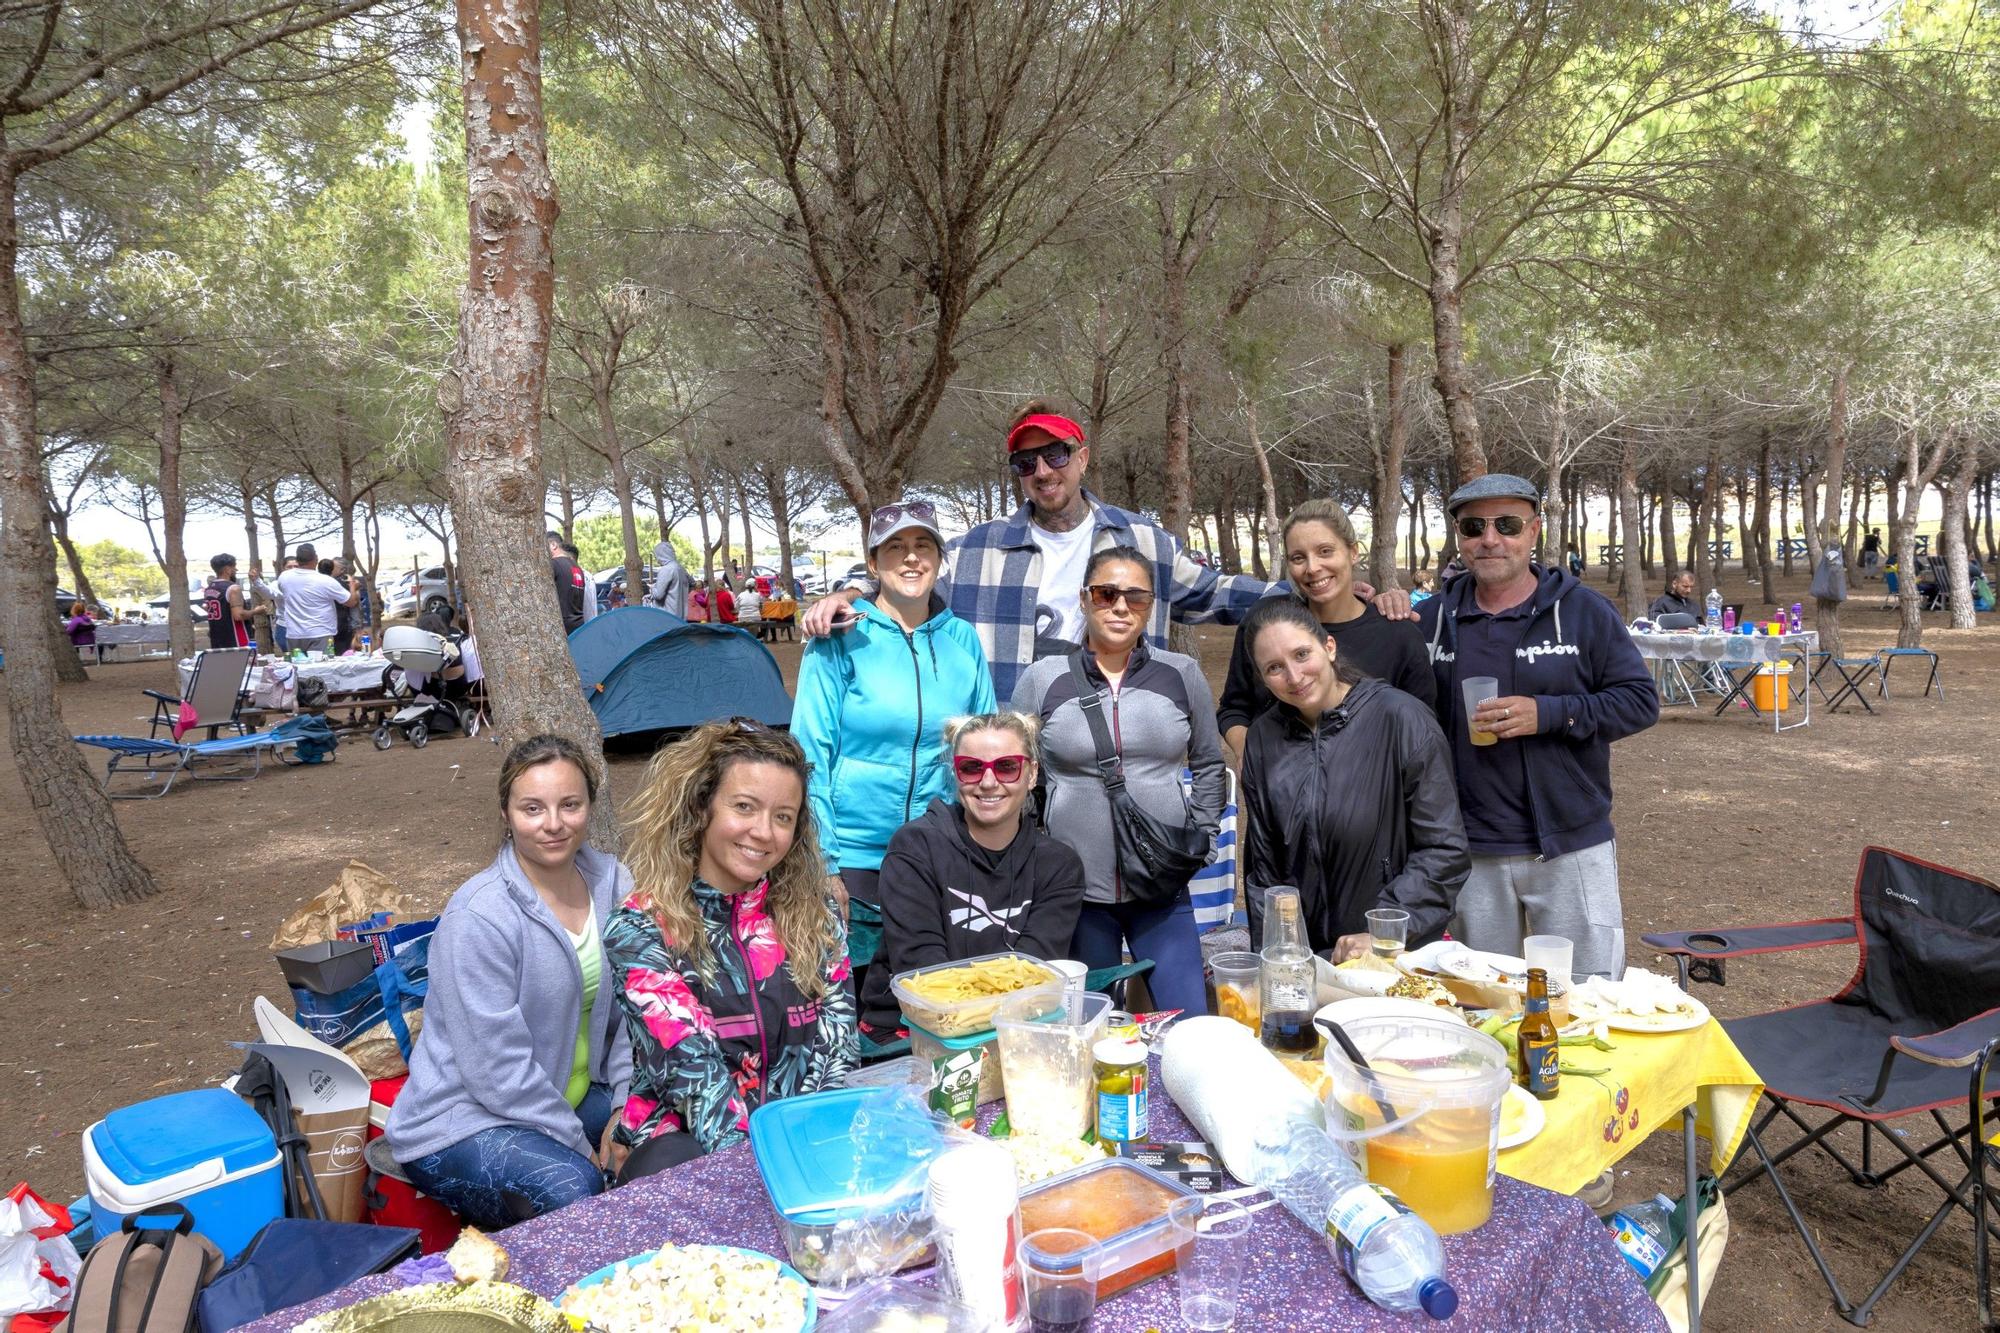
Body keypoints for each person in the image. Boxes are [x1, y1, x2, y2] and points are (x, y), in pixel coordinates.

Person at [804, 401, 1286, 700]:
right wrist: (848, 592)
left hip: (1118, 748)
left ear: (1082, 458)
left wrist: (1305, 597)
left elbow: (1214, 593)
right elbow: (904, 571)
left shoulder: (1141, 540)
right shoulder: (978, 549)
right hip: (1011, 759)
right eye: (1026, 461)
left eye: (1056, 454)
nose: (1043, 470)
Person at [1414, 474, 1659, 980]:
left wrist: (1546, 713)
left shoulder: (1585, 611)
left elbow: (1638, 702)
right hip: (1470, 847)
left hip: (1570, 843)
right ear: (1458, 536)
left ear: (1534, 532)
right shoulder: (1434, 618)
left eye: (1507, 524)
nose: (1490, 539)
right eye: (1473, 526)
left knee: (1590, 999)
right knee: (1481, 1000)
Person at [387, 735, 632, 1228]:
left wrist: (627, 1113)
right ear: (506, 813)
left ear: (590, 805)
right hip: (467, 1117)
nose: (554, 824)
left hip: (573, 1095)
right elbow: (496, 1072)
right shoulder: (480, 915)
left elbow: (636, 1015)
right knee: (573, 1187)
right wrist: (583, 1147)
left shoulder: (615, 884)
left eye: (570, 805)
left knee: (663, 1134)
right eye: (533, 808)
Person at [605, 720, 856, 1174]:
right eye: (744, 806)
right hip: (688, 1145)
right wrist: (768, 1174)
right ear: (703, 808)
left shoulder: (816, 912)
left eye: (783, 816)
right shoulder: (640, 926)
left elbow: (837, 1051)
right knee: (671, 1161)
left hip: (800, 1136)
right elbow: (695, 1076)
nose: (763, 832)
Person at [791, 501, 997, 1033]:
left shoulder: (963, 641)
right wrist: (824, 859)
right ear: (874, 561)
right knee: (851, 1011)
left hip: (938, 851)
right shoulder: (838, 638)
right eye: (895, 548)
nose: (910, 559)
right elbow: (809, 753)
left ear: (940, 558)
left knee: (931, 1007)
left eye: (923, 546)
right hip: (855, 855)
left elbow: (983, 749)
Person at [1011, 547, 1225, 1016]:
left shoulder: (1181, 674)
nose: (1121, 607)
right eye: (1107, 594)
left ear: (1151, 606)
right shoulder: (1042, 679)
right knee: (1087, 1027)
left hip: (1163, 888)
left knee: (1188, 1024)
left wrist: (1205, 837)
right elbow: (1018, 774)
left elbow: (1209, 762)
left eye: (1136, 597)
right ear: (1085, 599)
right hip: (1076, 893)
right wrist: (1031, 851)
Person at [1236, 597, 1469, 960]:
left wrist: (1385, 928)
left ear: (1329, 646)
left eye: (1301, 655)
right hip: (1310, 960)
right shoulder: (1262, 740)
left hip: (1394, 953)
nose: (1294, 677)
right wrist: (1277, 957)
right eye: (1274, 668)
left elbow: (1444, 849)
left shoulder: (1401, 719)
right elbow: (1265, 869)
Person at [868, 712, 1087, 1031]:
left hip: (1017, 1027)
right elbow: (927, 978)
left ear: (1031, 773)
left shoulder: (1059, 866)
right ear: (956, 775)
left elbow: (1033, 976)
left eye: (1006, 766)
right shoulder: (914, 848)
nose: (988, 782)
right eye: (971, 768)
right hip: (913, 1030)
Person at [1216, 499, 1433, 758]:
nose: (1312, 568)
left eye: (1325, 551)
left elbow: (1423, 735)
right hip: (1280, 792)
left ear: (1353, 552)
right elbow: (1234, 708)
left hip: (1371, 794)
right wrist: (1248, 756)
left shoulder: (1399, 635)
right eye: (1298, 557)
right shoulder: (1265, 624)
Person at [277, 544, 358, 655]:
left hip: (294, 633)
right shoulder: (325, 581)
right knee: (320, 669)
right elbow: (351, 602)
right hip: (320, 633)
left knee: (298, 669)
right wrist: (352, 585)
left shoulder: (284, 577)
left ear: (298, 560)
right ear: (316, 559)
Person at [200, 554, 254, 651]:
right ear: (227, 569)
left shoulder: (209, 588)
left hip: (217, 637)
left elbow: (208, 607)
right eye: (234, 567)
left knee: (222, 664)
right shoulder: (233, 588)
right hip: (235, 637)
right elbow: (238, 616)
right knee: (241, 665)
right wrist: (256, 611)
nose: (236, 570)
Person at [647, 539, 690, 617]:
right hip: (682, 616)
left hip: (668, 616)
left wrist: (652, 587)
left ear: (662, 554)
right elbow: (692, 583)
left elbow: (659, 595)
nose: (657, 560)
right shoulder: (681, 568)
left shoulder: (666, 570)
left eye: (657, 556)